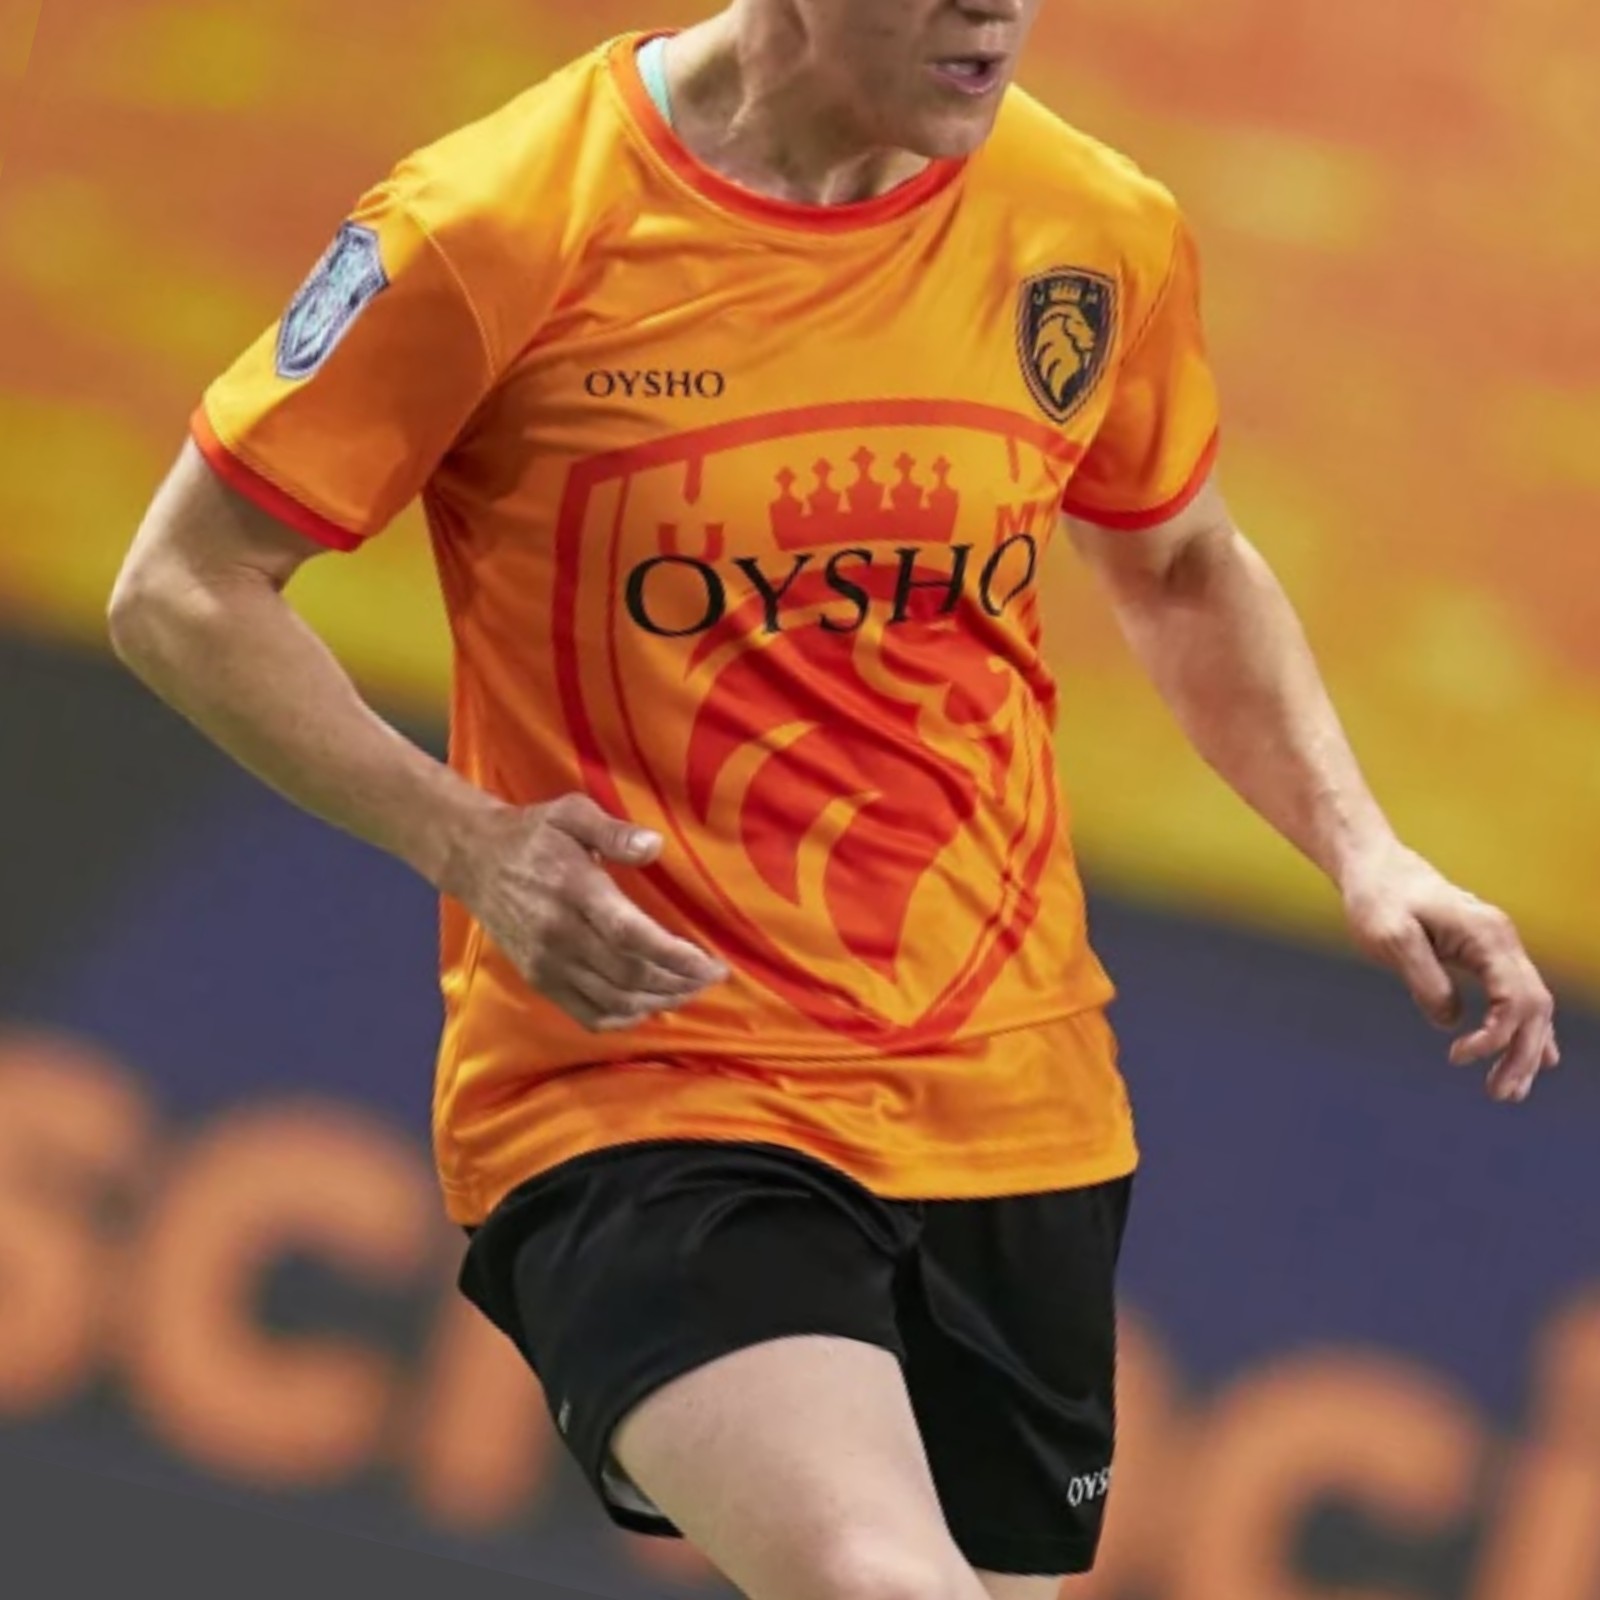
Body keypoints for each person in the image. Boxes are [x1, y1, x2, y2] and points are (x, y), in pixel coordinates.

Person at [107, 3, 1559, 1597]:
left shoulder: (1092, 227)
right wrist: (468, 840)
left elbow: (1181, 565)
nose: (993, 11)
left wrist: (1364, 849)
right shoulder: (494, 222)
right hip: (647, 1084)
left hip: (1013, 1100)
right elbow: (186, 589)